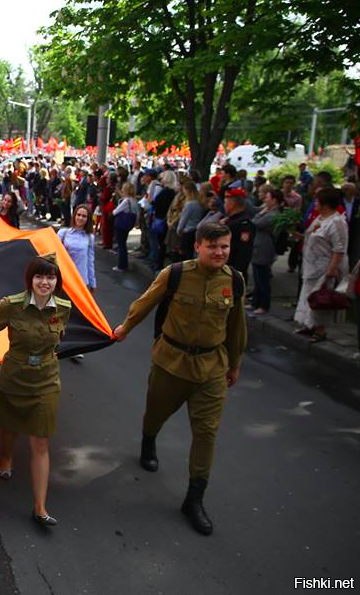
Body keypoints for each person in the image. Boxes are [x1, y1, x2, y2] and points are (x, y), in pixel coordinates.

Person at [113, 222, 247, 536]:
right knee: (156, 413)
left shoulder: (235, 281)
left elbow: (238, 326)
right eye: (212, 246)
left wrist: (235, 364)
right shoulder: (175, 274)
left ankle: (194, 499)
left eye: (224, 246)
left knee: (206, 433)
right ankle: (148, 440)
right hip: (170, 363)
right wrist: (124, 329)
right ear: (197, 246)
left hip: (212, 367)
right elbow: (145, 303)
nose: (219, 252)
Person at [0, 254, 71, 526]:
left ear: (56, 281)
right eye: (39, 276)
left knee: (40, 440)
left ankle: (39, 507)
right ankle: (6, 457)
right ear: (30, 280)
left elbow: (59, 338)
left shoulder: (63, 307)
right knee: (9, 426)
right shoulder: (11, 305)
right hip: (14, 377)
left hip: (47, 379)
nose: (44, 282)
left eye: (50, 277)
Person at [293, 187, 349, 343]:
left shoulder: (337, 222)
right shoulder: (320, 218)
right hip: (311, 265)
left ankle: (320, 330)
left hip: (324, 267)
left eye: (317, 201)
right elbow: (309, 235)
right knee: (307, 295)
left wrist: (332, 268)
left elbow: (339, 248)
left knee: (320, 298)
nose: (315, 203)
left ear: (325, 204)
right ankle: (308, 324)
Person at [248, 188, 284, 315]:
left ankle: (264, 305)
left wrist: (261, 212)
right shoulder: (270, 212)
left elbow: (255, 223)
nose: (265, 199)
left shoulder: (274, 214)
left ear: (274, 200)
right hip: (259, 247)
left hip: (265, 248)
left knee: (263, 278)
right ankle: (255, 302)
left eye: (268, 197)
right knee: (258, 278)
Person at [57, 204, 97, 291]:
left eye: (84, 216)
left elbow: (90, 261)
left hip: (81, 280)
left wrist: (92, 283)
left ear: (88, 219)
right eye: (78, 215)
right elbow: (54, 254)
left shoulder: (90, 237)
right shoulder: (63, 233)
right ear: (74, 216)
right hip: (64, 278)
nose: (80, 218)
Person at [221, 188, 256, 284]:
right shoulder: (230, 221)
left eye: (225, 202)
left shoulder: (243, 224)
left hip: (233, 271)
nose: (224, 206)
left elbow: (244, 253)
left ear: (232, 204)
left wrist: (236, 273)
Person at [176, 180, 206, 260]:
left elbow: (184, 219)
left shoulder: (189, 204)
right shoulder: (199, 203)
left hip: (187, 231)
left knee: (185, 254)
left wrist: (179, 230)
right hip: (195, 230)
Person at [112, 182, 138, 271]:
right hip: (128, 225)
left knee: (121, 245)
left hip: (121, 224)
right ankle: (124, 264)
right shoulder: (133, 200)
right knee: (123, 244)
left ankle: (121, 265)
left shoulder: (126, 201)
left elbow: (115, 211)